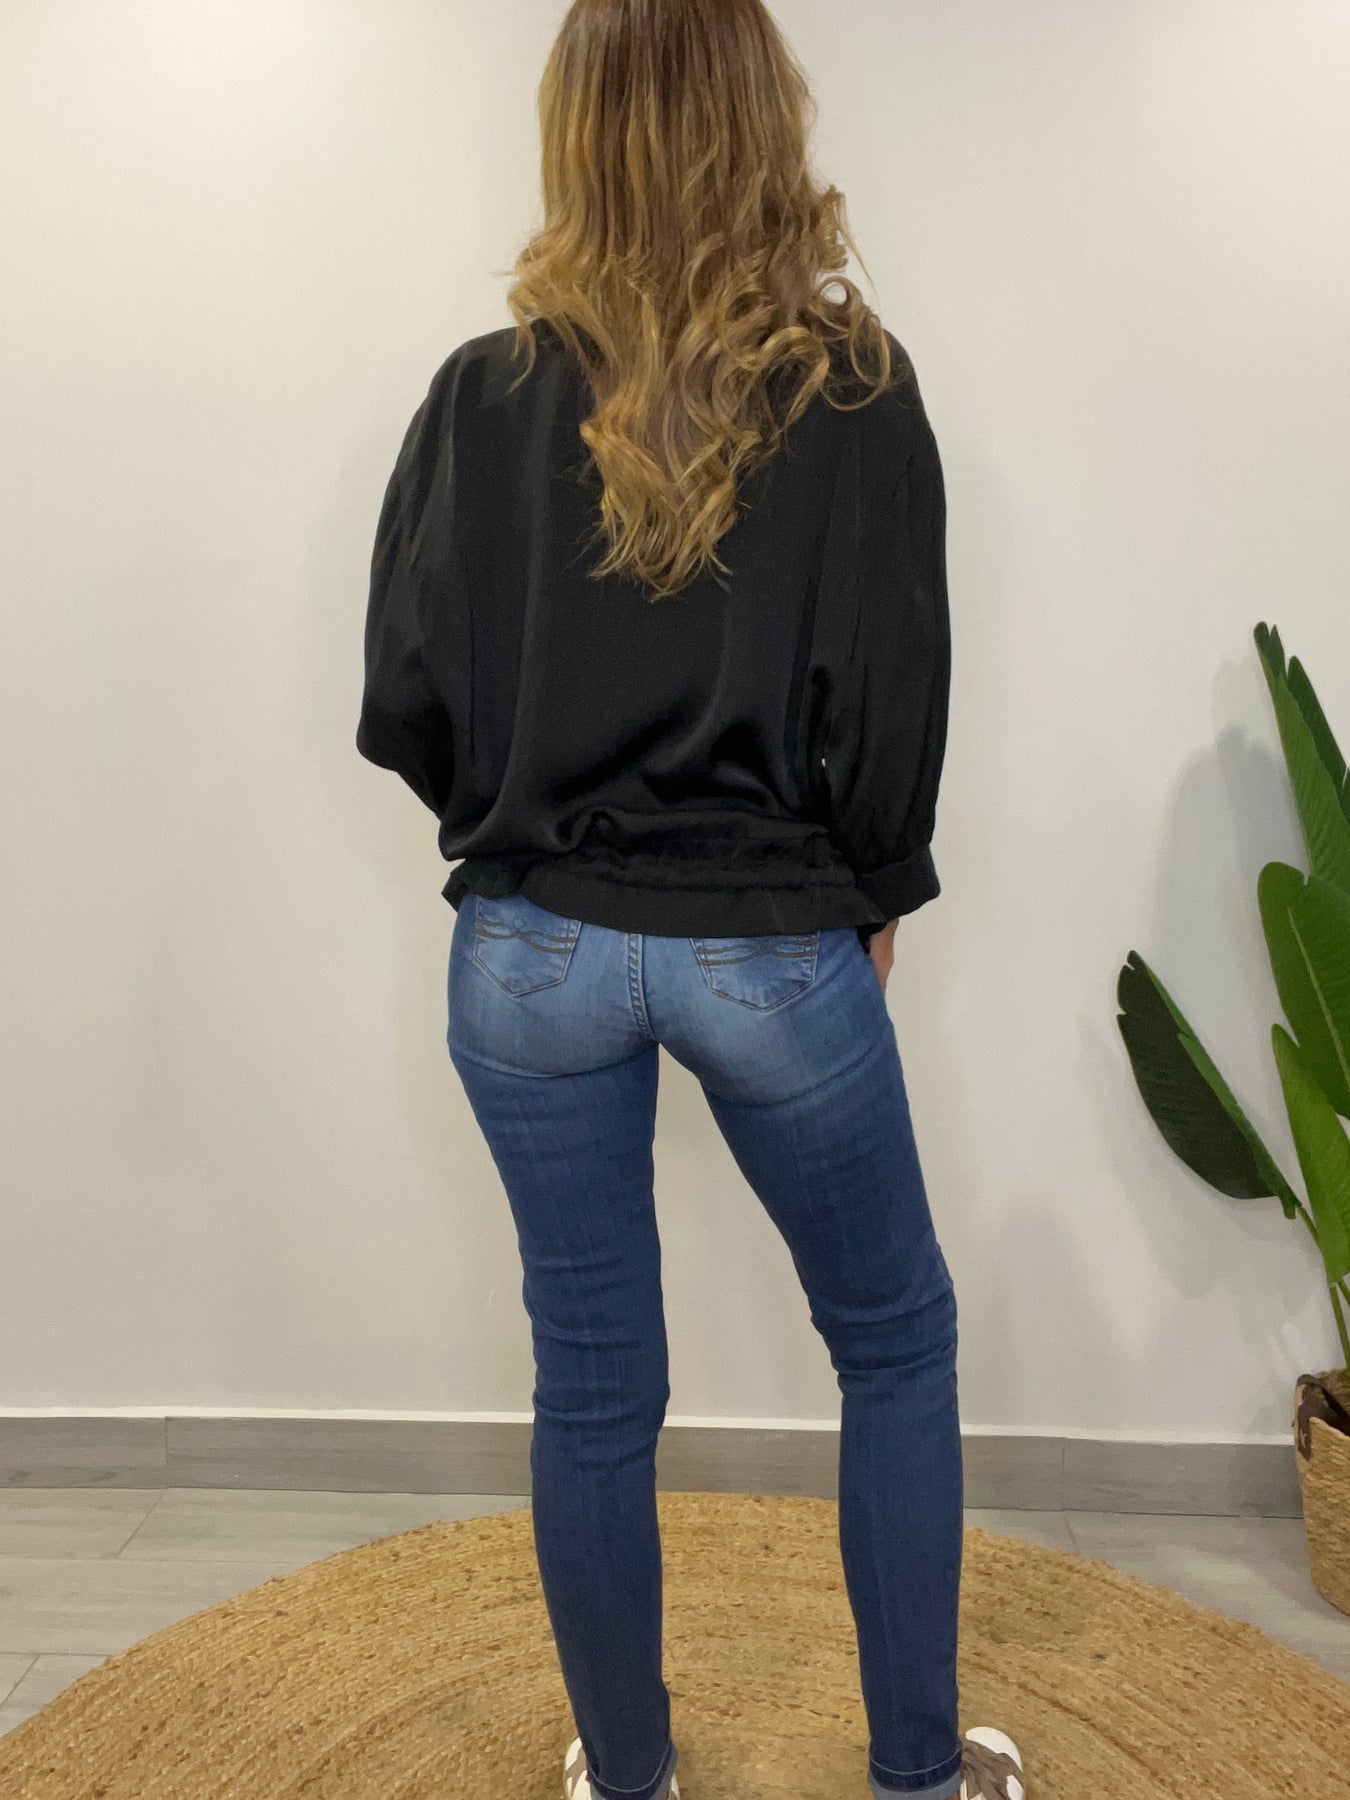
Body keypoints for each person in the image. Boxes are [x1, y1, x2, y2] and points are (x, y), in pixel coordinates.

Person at [356, 2, 1025, 1796]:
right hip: (768, 946)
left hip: (525, 954)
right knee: (893, 1344)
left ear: (575, 131)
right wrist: (865, 888)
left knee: (591, 1384)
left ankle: (629, 1780)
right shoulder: (852, 387)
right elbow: (896, 690)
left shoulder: (479, 394)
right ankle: (918, 1780)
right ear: (763, 121)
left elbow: (406, 696)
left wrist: (523, 835)